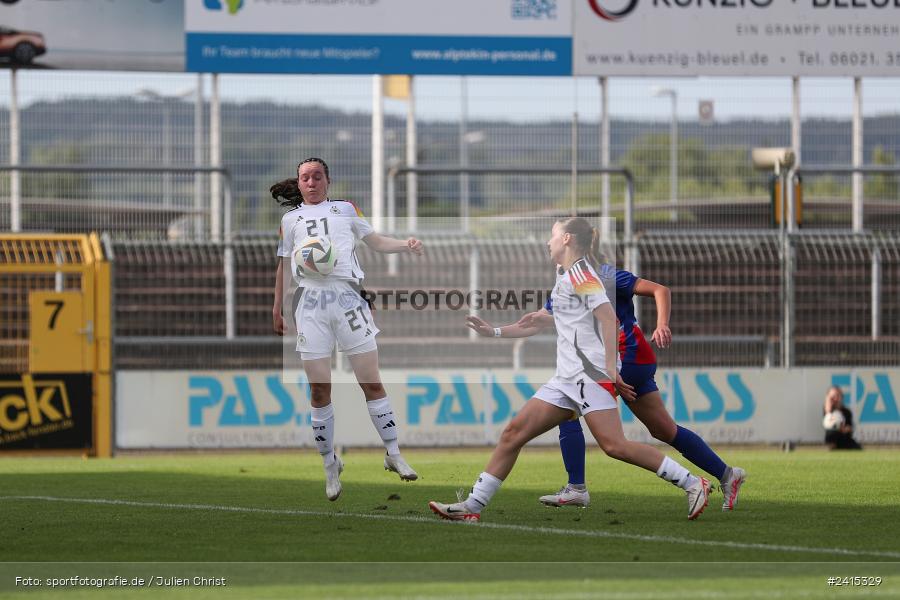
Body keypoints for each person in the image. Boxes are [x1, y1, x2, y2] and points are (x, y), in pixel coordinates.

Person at [428, 217, 711, 522]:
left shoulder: (580, 273)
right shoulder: (567, 275)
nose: (547, 242)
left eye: (552, 235)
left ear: (566, 239)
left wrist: (608, 369)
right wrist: (494, 332)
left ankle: (693, 483)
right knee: (513, 433)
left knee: (615, 446)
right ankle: (473, 506)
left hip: (590, 377)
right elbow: (538, 323)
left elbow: (608, 319)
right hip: (566, 379)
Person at [517, 268, 747, 512]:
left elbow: (660, 290)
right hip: (632, 361)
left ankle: (576, 488)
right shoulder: (565, 285)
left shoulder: (606, 275)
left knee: (569, 404)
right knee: (664, 430)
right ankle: (728, 475)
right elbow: (542, 320)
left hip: (627, 355)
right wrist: (495, 331)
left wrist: (662, 325)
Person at [271, 157, 425, 501]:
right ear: (298, 184)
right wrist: (277, 307)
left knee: (371, 381)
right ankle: (330, 464)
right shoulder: (290, 220)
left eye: (317, 176)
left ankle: (393, 453)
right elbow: (283, 266)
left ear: (327, 180)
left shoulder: (345, 210)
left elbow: (375, 241)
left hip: (349, 299)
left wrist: (405, 244)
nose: (311, 182)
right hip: (310, 304)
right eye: (305, 178)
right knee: (319, 391)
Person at [823, 386, 862, 450]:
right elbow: (827, 418)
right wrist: (828, 402)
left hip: (845, 439)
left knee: (858, 448)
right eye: (833, 396)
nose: (836, 398)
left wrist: (845, 429)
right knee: (831, 438)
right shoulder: (829, 410)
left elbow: (850, 427)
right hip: (832, 438)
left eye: (838, 395)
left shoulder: (846, 412)